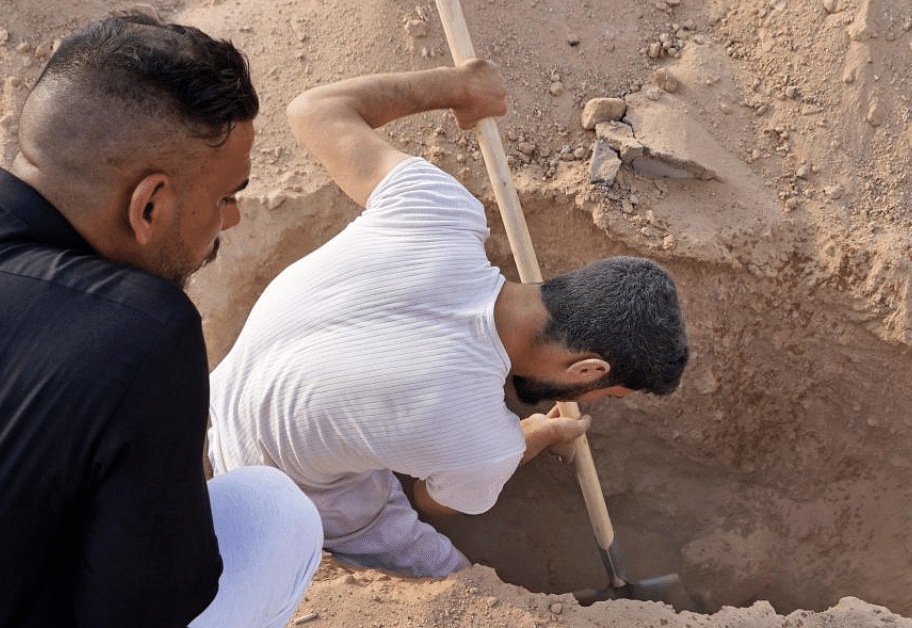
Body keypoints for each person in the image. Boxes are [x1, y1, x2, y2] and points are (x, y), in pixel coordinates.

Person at [0, 14, 320, 628]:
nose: (230, 220)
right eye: (228, 196)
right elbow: (143, 611)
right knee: (273, 514)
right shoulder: (144, 331)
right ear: (149, 204)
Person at [206, 60, 690, 578]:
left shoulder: (437, 208)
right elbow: (428, 500)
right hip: (272, 491)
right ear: (588, 369)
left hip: (200, 408)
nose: (594, 401)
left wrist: (454, 87)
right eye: (607, 393)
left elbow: (313, 110)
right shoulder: (483, 444)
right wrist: (518, 444)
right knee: (457, 584)